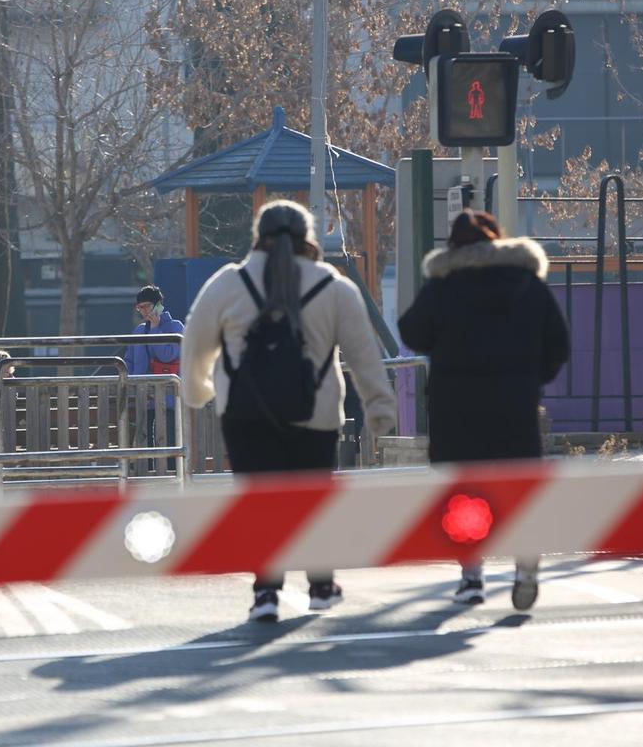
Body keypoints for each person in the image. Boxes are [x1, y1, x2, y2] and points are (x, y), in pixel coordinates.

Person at [182, 200, 397, 622]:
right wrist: (379, 409)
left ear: (257, 236)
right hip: (315, 415)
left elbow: (195, 347)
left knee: (259, 503)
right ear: (308, 237)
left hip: (245, 416)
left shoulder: (229, 283)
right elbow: (364, 355)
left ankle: (265, 593)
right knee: (311, 499)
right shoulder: (333, 287)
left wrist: (197, 391)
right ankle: (320, 586)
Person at [398, 212, 570, 611]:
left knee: (465, 495)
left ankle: (471, 577)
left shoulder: (443, 287)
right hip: (515, 404)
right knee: (517, 488)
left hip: (457, 409)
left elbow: (411, 331)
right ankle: (525, 561)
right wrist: (531, 378)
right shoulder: (528, 284)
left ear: (454, 248)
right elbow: (558, 343)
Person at [124, 285, 184, 471]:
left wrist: (156, 329)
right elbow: (129, 361)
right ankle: (146, 477)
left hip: (169, 399)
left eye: (147, 306)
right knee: (145, 442)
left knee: (170, 442)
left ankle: (174, 479)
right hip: (144, 396)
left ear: (159, 305)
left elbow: (168, 355)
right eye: (140, 307)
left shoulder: (175, 327)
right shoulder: (139, 330)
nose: (143, 311)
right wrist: (130, 382)